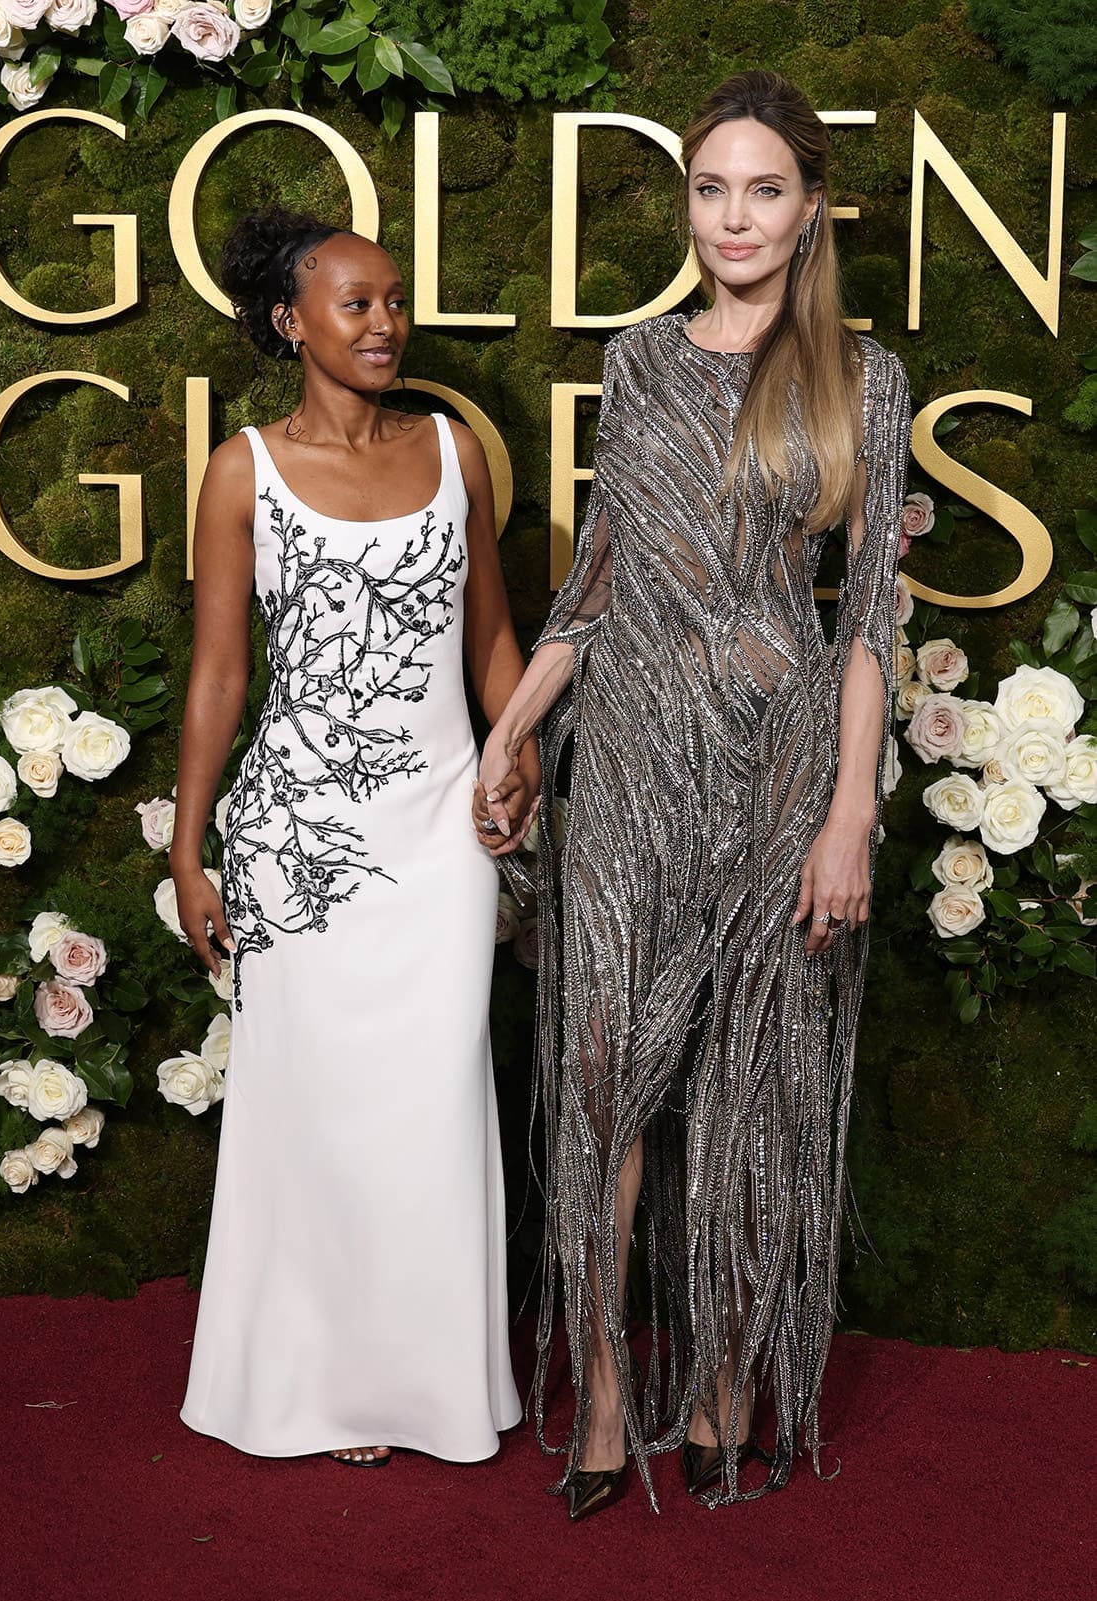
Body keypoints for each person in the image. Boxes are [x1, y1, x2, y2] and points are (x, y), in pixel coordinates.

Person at [476, 70, 912, 1516]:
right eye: (712, 188)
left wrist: (851, 810)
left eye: (764, 189)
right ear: (691, 204)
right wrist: (513, 730)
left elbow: (867, 621)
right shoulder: (641, 359)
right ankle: (604, 1389)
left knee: (754, 1090)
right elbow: (596, 581)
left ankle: (728, 1379)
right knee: (604, 1086)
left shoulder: (866, 379)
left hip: (785, 776)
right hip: (634, 773)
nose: (735, 216)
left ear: (809, 210)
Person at [172, 208, 536, 1468]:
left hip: (438, 831)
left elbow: (492, 633)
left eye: (393, 302)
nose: (384, 324)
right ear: (289, 322)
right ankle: (318, 1380)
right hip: (294, 839)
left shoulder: (450, 450)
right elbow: (221, 677)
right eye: (355, 305)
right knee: (319, 1111)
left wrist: (518, 740)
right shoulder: (239, 471)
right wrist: (187, 845)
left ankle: (426, 1382)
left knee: (431, 1104)